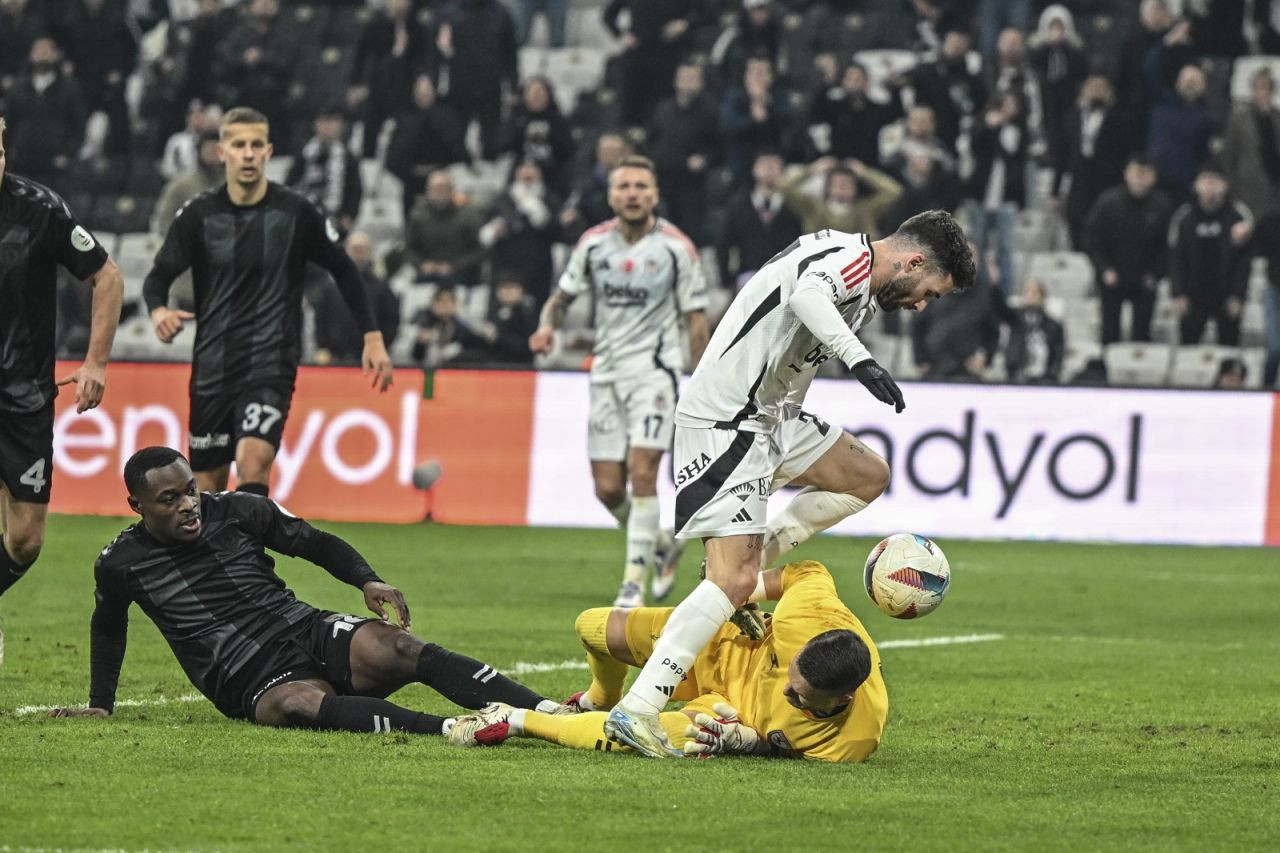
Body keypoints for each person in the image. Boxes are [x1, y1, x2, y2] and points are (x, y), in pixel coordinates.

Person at [601, 209, 974, 757]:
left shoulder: (860, 278)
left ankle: (746, 569)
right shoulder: (849, 261)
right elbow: (805, 297)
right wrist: (861, 361)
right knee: (729, 584)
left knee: (867, 476)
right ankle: (637, 710)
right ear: (913, 261)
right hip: (729, 422)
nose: (921, 304)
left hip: (774, 420)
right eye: (929, 292)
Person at [49, 446, 564, 742]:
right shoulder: (120, 563)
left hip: (301, 627)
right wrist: (101, 704)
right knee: (299, 704)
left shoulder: (239, 510)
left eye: (190, 490)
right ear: (136, 505)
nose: (189, 505)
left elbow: (312, 542)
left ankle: (549, 712)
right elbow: (108, 626)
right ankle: (456, 728)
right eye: (170, 498)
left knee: (401, 647)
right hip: (243, 672)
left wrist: (367, 579)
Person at [142, 107, 394, 499]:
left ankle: (249, 562)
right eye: (239, 145)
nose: (247, 153)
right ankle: (221, 561)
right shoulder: (198, 215)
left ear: (269, 152)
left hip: (271, 359)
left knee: (253, 461)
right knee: (207, 486)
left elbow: (344, 269)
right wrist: (158, 311)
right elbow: (157, 279)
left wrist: (372, 335)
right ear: (223, 151)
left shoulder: (296, 211)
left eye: (256, 145)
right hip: (213, 363)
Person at [453, 560, 887, 761]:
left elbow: (790, 749)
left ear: (843, 700)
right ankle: (598, 698)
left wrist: (743, 743)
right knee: (592, 627)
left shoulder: (855, 740)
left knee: (633, 738)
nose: (787, 691)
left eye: (799, 697)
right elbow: (806, 571)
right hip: (714, 640)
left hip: (721, 713)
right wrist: (742, 593)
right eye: (789, 676)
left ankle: (518, 720)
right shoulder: (808, 616)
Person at [530, 155, 711, 609]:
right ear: (611, 196)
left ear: (654, 194)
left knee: (643, 470)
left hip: (655, 370)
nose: (632, 193)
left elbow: (695, 318)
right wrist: (547, 324)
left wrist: (702, 377)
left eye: (640, 186)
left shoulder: (675, 248)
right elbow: (560, 298)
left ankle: (632, 585)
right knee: (608, 488)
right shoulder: (593, 245)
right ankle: (662, 544)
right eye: (624, 186)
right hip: (606, 371)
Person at [0, 115, 125, 648]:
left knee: (25, 540)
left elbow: (107, 276)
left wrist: (96, 362)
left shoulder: (39, 208)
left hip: (24, 396)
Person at [1084, 154, 1173, 344]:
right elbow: (1092, 240)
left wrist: (1156, 274)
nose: (1140, 179)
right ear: (1126, 174)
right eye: (1136, 173)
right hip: (1112, 276)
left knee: (1142, 334)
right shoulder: (1108, 203)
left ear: (1154, 176)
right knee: (1109, 333)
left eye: (1145, 174)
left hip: (1145, 279)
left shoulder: (1161, 205)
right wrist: (1104, 268)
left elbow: (1168, 247)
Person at [1168, 166, 1252, 346]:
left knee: (1229, 351)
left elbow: (1245, 262)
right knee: (1188, 350)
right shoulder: (1185, 216)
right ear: (1196, 185)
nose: (1210, 187)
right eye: (1205, 181)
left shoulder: (1238, 214)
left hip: (1227, 295)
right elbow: (1176, 258)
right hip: (1193, 295)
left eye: (1215, 181)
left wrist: (1239, 295)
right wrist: (1178, 293)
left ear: (1225, 185)